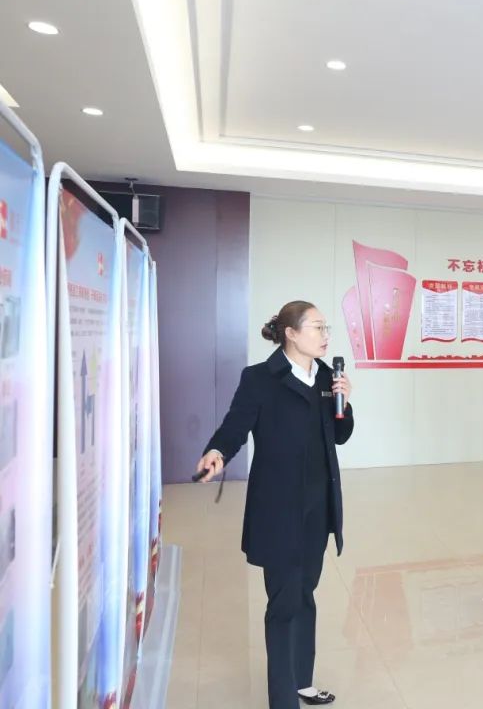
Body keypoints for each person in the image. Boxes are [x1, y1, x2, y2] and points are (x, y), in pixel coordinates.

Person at [195, 301, 353, 708]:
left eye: (326, 328)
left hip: (318, 509)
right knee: (283, 603)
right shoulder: (260, 379)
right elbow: (235, 425)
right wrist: (217, 450)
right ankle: (282, 700)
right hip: (279, 511)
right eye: (317, 327)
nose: (325, 335)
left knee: (305, 594)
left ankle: (302, 682)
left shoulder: (325, 377)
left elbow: (339, 436)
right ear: (291, 334)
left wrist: (345, 403)